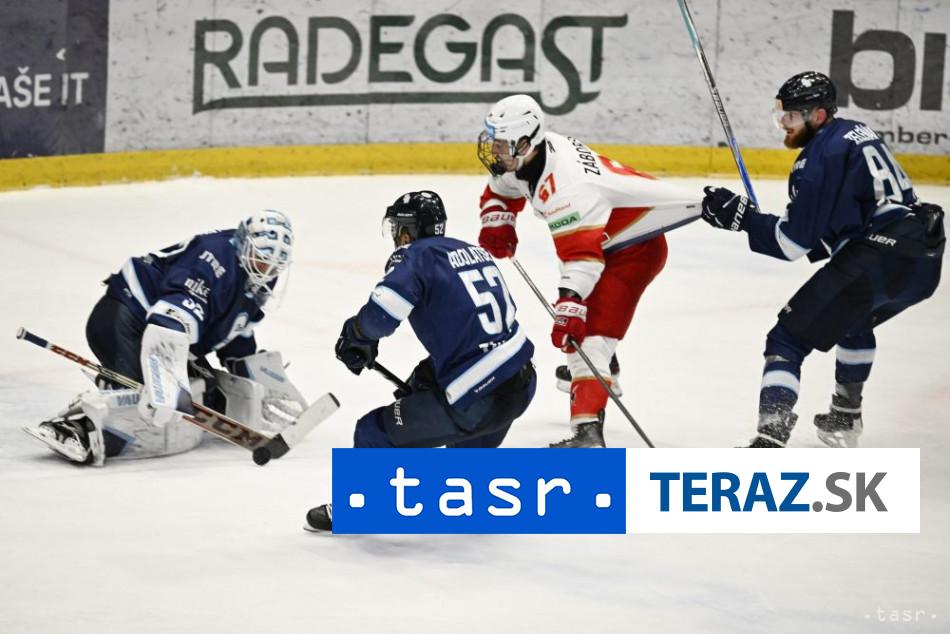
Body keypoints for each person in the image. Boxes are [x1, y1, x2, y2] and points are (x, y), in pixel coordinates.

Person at [699, 71, 944, 448]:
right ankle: (845, 416)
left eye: (792, 116)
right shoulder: (855, 132)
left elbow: (792, 243)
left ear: (818, 115)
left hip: (877, 256)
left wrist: (742, 218)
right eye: (781, 115)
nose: (784, 123)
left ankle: (769, 441)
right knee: (853, 318)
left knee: (786, 339)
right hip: (923, 257)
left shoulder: (817, 159)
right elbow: (837, 221)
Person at [475, 94, 699, 448]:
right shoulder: (529, 158)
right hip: (602, 243)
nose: (494, 151)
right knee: (585, 334)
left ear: (526, 142)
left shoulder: (567, 186)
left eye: (501, 144)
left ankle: (588, 433)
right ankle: (603, 371)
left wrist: (570, 308)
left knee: (588, 341)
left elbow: (581, 260)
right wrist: (498, 220)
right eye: (493, 141)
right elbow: (501, 189)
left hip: (632, 250)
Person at [305, 190, 536, 532]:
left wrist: (357, 334)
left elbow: (381, 317)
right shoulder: (472, 251)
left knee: (372, 432)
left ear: (408, 231)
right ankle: (467, 498)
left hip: (477, 401)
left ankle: (359, 508)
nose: (397, 237)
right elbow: (478, 330)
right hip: (520, 384)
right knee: (462, 457)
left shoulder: (414, 255)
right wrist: (431, 373)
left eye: (398, 229)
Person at [24, 210, 307, 465]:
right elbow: (169, 323)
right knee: (149, 404)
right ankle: (72, 427)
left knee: (205, 394)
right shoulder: (210, 259)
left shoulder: (259, 272)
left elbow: (237, 324)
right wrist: (166, 383)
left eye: (274, 264)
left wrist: (249, 372)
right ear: (243, 243)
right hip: (125, 320)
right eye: (261, 258)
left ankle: (124, 385)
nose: (266, 269)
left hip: (170, 334)